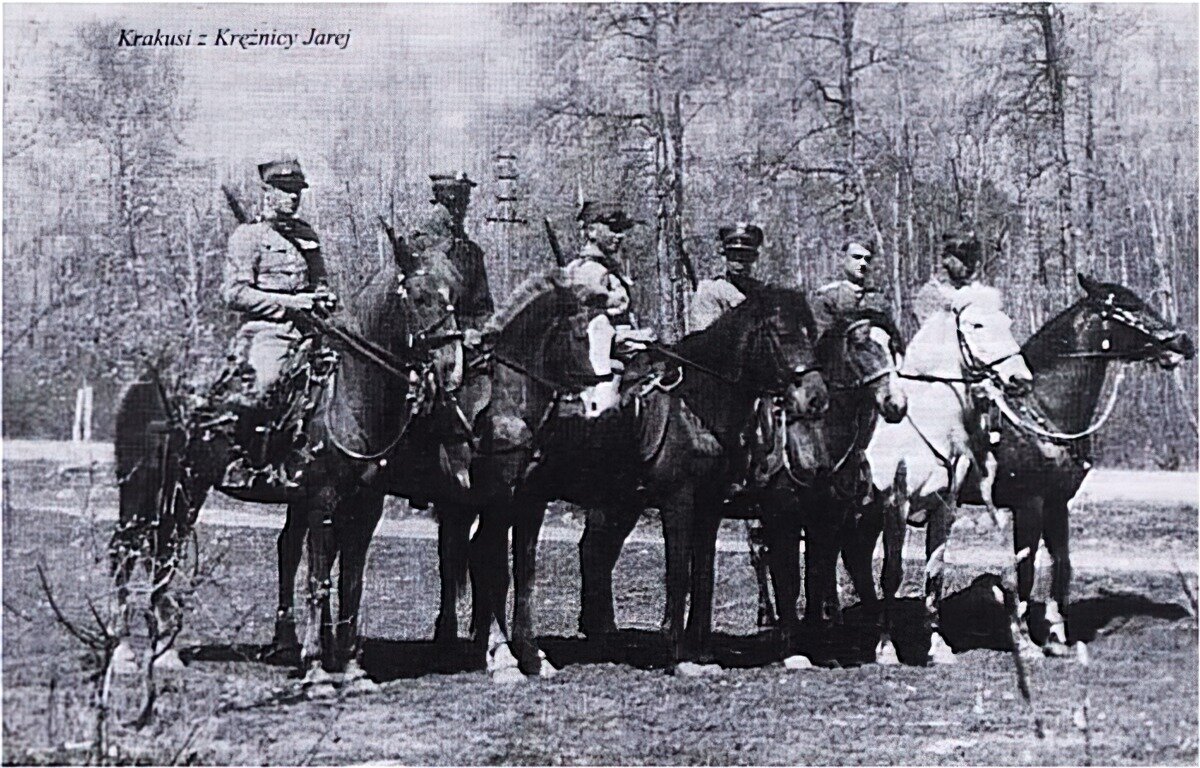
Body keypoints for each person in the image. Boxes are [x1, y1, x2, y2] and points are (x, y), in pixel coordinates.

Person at [221, 158, 334, 396]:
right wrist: (291, 303)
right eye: (286, 190)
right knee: (266, 383)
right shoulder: (248, 236)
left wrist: (323, 296)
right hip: (269, 331)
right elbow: (235, 294)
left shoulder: (306, 234)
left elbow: (319, 281)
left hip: (314, 327)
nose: (293, 197)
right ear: (268, 192)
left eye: (297, 191)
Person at [563, 201, 655, 417]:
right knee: (605, 412)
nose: (620, 235)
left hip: (626, 356)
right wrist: (634, 336)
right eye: (613, 228)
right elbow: (592, 330)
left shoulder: (608, 269)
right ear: (592, 231)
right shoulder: (589, 271)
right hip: (600, 366)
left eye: (622, 230)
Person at [410, 172, 494, 340]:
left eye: (465, 202)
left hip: (464, 339)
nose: (465, 208)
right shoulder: (415, 250)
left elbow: (482, 307)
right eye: (462, 201)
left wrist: (477, 332)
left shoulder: (471, 253)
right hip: (428, 340)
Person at [688, 222, 765, 333]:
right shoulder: (710, 291)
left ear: (754, 258)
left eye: (745, 257)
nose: (739, 264)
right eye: (733, 256)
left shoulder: (760, 292)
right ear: (725, 257)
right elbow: (704, 339)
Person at [811, 240, 889, 338]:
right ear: (842, 259)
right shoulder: (828, 297)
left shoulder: (877, 298)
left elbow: (893, 336)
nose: (863, 263)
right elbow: (819, 338)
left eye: (867, 259)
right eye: (857, 257)